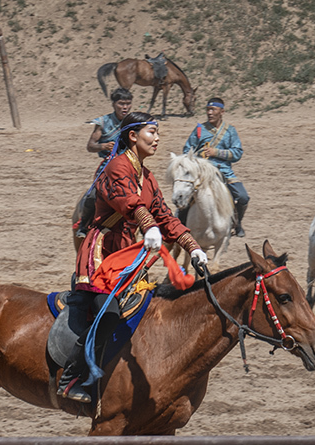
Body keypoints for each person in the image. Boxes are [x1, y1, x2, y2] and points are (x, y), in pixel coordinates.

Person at [60, 111, 208, 402]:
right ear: (132, 136)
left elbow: (165, 216)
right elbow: (127, 200)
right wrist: (148, 224)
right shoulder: (115, 166)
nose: (157, 138)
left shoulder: (149, 177)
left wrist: (193, 247)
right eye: (152, 132)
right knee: (108, 312)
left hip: (128, 253)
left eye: (157, 133)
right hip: (103, 251)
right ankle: (72, 376)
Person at [182, 97, 248, 236]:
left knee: (242, 197)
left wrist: (216, 152)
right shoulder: (200, 129)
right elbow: (187, 151)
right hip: (202, 172)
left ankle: (238, 223)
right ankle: (181, 225)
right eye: (208, 110)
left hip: (223, 171)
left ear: (222, 111)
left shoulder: (230, 131)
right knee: (185, 198)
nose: (210, 113)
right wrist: (199, 154)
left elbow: (237, 153)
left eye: (213, 110)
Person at [75, 88, 134, 238]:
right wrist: (103, 146)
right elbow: (90, 146)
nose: (125, 107)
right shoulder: (103, 123)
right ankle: (83, 225)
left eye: (128, 103)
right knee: (93, 194)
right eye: (121, 103)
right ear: (114, 104)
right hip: (108, 166)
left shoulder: (134, 122)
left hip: (129, 165)